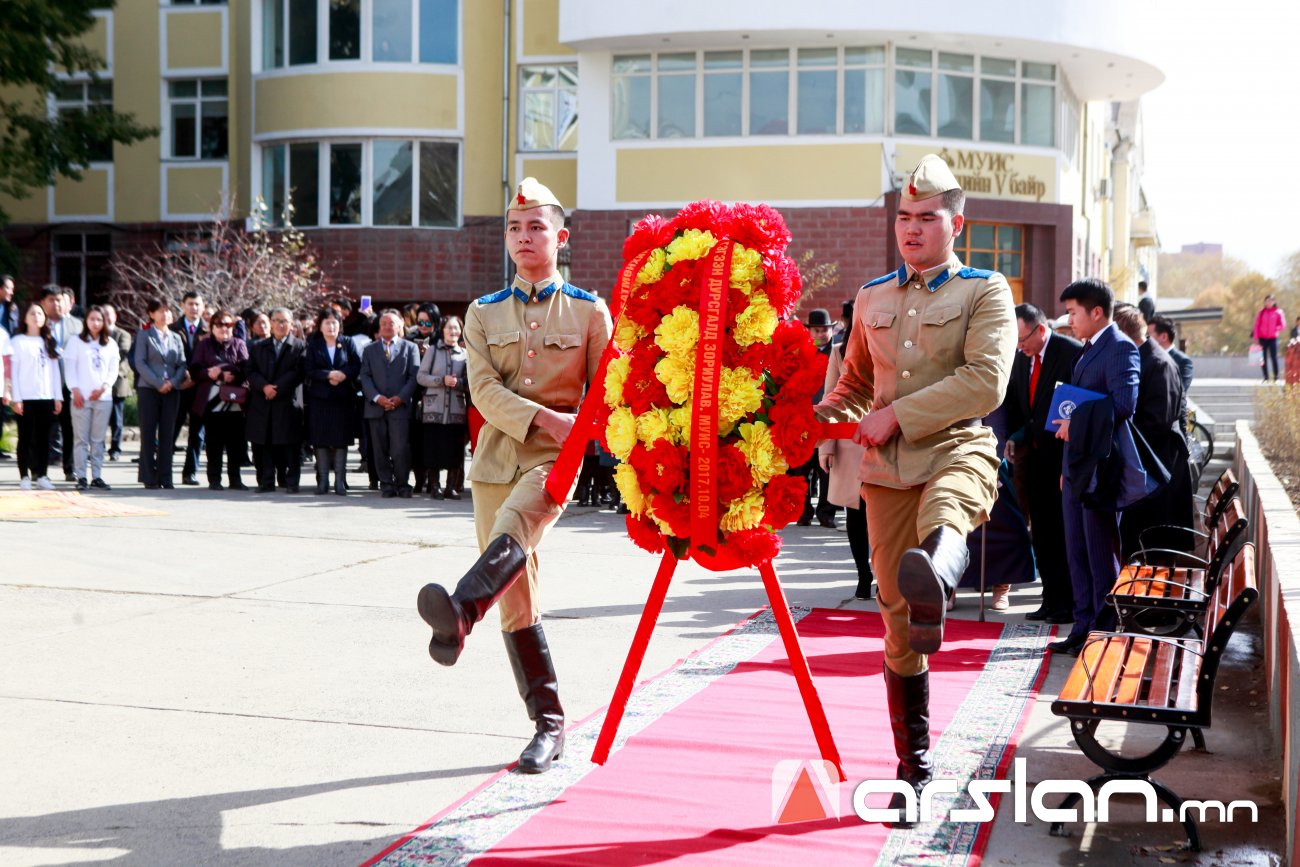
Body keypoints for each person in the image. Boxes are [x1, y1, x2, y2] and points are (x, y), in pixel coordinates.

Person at [815, 154, 1015, 824]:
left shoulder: (986, 291)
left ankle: (937, 573)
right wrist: (809, 418)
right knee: (897, 625)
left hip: (957, 447)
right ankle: (914, 767)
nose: (913, 227)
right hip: (886, 475)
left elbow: (987, 382)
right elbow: (851, 388)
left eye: (927, 217)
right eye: (904, 216)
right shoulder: (872, 296)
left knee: (949, 512)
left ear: (956, 223)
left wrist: (896, 414)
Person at [417, 177, 612, 774]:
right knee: (518, 598)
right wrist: (548, 418)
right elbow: (482, 390)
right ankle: (549, 725)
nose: (524, 237)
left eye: (535, 227)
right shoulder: (481, 313)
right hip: (496, 458)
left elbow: (608, 392)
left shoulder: (587, 310)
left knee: (516, 524)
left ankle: (459, 612)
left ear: (560, 236)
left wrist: (578, 431)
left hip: (556, 461)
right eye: (514, 228)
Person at [1049, 279, 1142, 655]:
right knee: (1076, 550)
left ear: (1096, 312)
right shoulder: (1088, 349)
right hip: (1076, 466)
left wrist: (1078, 421)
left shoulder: (1120, 348)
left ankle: (1101, 631)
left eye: (1073, 313)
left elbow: (1124, 404)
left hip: (1101, 469)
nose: (1070, 321)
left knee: (1100, 552)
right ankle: (1081, 624)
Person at [998, 303, 1081, 623]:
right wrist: (1014, 437)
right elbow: (1020, 406)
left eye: (1022, 339)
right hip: (1032, 460)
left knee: (1063, 535)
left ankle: (1070, 602)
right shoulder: (1021, 358)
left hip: (1061, 460)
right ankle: (1050, 599)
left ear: (1040, 330)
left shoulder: (1069, 353)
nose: (1019, 347)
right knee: (1042, 535)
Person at [1114, 304, 1193, 558]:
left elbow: (1157, 422)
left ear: (1124, 334)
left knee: (1154, 551)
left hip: (1160, 471)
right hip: (1151, 470)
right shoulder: (1142, 356)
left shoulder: (1158, 363)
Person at [818, 301, 873, 599]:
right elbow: (830, 396)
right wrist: (825, 446)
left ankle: (883, 573)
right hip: (849, 441)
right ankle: (863, 575)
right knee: (856, 513)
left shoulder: (887, 346)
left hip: (886, 440)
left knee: (885, 515)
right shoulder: (839, 351)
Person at [359, 309, 420, 497]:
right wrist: (378, 398)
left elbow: (413, 377)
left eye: (391, 323)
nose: (386, 326)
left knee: (400, 448)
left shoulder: (411, 348)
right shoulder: (370, 349)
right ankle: (386, 484)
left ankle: (403, 483)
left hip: (400, 408)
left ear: (400, 325)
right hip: (375, 408)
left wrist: (400, 398)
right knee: (379, 449)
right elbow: (365, 376)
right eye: (383, 323)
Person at [246, 307, 306, 493]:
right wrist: (264, 386)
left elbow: (298, 372)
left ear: (291, 324)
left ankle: (291, 482)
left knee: (290, 445)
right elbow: (250, 371)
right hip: (263, 401)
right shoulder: (258, 347)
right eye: (277, 320)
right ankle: (266, 481)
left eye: (284, 321)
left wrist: (276, 388)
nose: (280, 324)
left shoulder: (299, 346)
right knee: (264, 443)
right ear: (270, 323)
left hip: (288, 401)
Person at [189, 309, 250, 491]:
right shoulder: (204, 345)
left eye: (228, 324)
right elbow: (194, 370)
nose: (224, 328)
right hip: (212, 400)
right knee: (214, 442)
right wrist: (209, 373)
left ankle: (235, 479)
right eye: (220, 325)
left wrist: (225, 373)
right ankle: (214, 479)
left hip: (235, 400)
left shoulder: (239, 344)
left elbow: (247, 368)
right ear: (212, 327)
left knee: (235, 442)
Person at [305, 309, 362, 495]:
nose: (331, 326)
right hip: (320, 399)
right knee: (320, 440)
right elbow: (309, 369)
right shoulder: (314, 345)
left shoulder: (347, 342)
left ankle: (339, 481)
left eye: (334, 323)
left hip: (342, 399)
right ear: (320, 326)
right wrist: (328, 374)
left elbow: (356, 365)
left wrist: (343, 375)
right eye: (327, 323)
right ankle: (323, 481)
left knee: (340, 440)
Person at [9, 303, 64, 490]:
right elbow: (14, 373)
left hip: (46, 396)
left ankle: (42, 475)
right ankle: (24, 475)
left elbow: (56, 372)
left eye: (40, 313)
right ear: (25, 318)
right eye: (32, 313)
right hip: (25, 397)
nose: (36, 316)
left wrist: (58, 397)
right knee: (25, 437)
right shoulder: (17, 342)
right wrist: (16, 398)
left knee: (43, 438)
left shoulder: (49, 341)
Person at [65, 306, 120, 490]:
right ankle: (81, 476)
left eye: (99, 319)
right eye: (92, 319)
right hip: (81, 397)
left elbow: (113, 369)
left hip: (103, 398)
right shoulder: (76, 342)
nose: (95, 323)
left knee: (98, 439)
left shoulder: (110, 343)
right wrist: (75, 390)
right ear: (86, 321)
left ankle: (97, 475)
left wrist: (105, 386)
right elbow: (70, 368)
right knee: (81, 439)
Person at [134, 299, 188, 489]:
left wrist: (172, 382)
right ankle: (149, 477)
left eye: (168, 311)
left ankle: (166, 477)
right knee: (148, 434)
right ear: (151, 314)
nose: (165, 314)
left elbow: (182, 364)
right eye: (160, 311)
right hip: (149, 389)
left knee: (168, 434)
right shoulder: (144, 335)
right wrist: (158, 383)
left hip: (172, 390)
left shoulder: (176, 337)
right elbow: (140, 363)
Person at [416, 314, 469, 499]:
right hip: (434, 409)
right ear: (442, 330)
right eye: (449, 328)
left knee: (455, 449)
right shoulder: (432, 350)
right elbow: (421, 377)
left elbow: (470, 382)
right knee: (433, 448)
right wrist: (441, 380)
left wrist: (458, 382)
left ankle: (450, 487)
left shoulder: (465, 354)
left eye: (456, 328)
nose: (453, 331)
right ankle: (435, 486)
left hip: (456, 409)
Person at [797, 308, 838, 529]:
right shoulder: (799, 352)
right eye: (816, 330)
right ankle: (804, 511)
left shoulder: (838, 353)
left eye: (824, 330)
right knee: (802, 468)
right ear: (809, 331)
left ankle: (826, 513)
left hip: (828, 418)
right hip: (803, 417)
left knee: (827, 469)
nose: (821, 334)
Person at [40, 285, 81, 481]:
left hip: (68, 384)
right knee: (41, 427)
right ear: (43, 303)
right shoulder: (36, 324)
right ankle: (38, 469)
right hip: (42, 385)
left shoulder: (78, 326)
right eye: (51, 300)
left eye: (58, 300)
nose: (55, 304)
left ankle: (70, 468)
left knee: (69, 427)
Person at [407, 303, 442, 494]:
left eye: (428, 322)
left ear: (436, 322)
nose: (423, 326)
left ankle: (433, 480)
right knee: (416, 440)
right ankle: (419, 478)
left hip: (436, 396)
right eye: (420, 322)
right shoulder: (410, 339)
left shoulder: (441, 342)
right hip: (414, 396)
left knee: (433, 441)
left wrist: (431, 354)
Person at [175, 291, 208, 485]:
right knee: (171, 430)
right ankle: (162, 471)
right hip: (178, 387)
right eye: (190, 304)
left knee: (197, 433)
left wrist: (195, 377)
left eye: (197, 304)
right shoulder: (173, 328)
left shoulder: (209, 330)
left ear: (202, 307)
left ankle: (190, 472)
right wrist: (181, 377)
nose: (194, 308)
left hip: (199, 388)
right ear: (183, 305)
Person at [1148, 315, 1193, 431]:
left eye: (1149, 334)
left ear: (1163, 336)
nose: (1146, 338)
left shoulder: (1183, 361)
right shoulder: (1148, 357)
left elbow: (1180, 391)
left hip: (1170, 425)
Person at [102, 304, 133, 461]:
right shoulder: (95, 334)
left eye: (109, 314)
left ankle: (115, 449)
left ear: (115, 316)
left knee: (116, 419)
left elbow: (123, 353)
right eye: (104, 314)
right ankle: (98, 447)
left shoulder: (123, 334)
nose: (106, 317)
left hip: (117, 383)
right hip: (99, 384)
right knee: (99, 419)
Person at [1252, 294, 1286, 382]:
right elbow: (1257, 325)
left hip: (1273, 338)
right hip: (1262, 338)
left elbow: (1282, 325)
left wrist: (1276, 328)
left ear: (1274, 302)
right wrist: (1256, 337)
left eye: (1270, 300)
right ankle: (1265, 377)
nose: (1268, 302)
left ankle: (1276, 377)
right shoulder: (1261, 312)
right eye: (1267, 301)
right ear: (1264, 302)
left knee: (1274, 357)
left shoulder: (1278, 312)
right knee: (1263, 358)